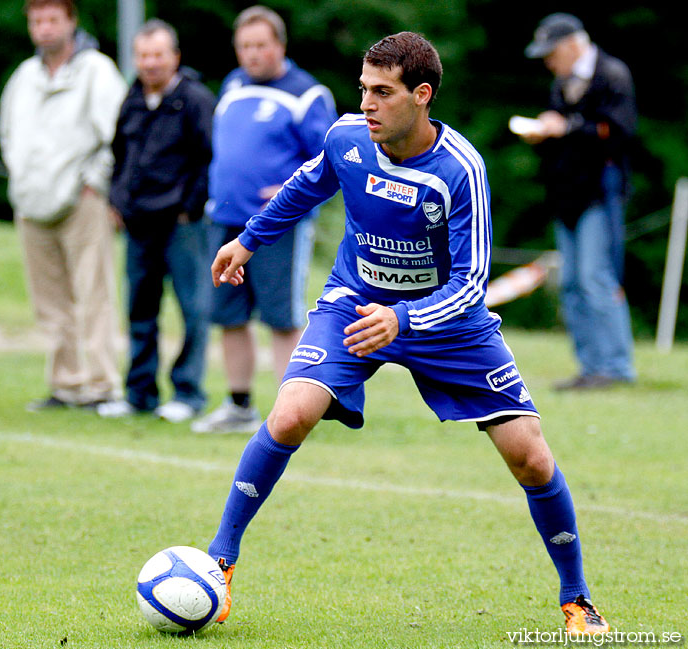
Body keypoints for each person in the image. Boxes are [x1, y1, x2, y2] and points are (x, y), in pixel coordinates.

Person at [205, 32, 610, 635]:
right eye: (363, 88)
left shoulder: (461, 169)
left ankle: (577, 598)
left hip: (449, 324)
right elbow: (302, 189)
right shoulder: (346, 138)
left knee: (530, 458)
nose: (366, 103)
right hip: (357, 302)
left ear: (421, 96)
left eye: (382, 92)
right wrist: (248, 238)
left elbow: (472, 282)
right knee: (289, 414)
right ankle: (218, 563)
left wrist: (406, 318)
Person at [191, 5, 337, 434]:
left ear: (280, 46)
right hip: (225, 219)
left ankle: (292, 410)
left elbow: (328, 162)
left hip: (279, 227)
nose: (252, 54)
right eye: (245, 46)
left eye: (260, 45)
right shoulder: (233, 85)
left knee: (282, 317)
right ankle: (238, 406)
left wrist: (289, 191)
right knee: (229, 314)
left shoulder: (308, 94)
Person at [0, 0, 126, 411]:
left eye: (53, 19)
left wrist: (95, 183)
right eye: (37, 21)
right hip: (32, 203)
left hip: (81, 201)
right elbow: (7, 133)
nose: (44, 28)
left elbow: (118, 133)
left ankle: (102, 385)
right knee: (49, 303)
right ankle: (66, 384)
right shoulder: (24, 77)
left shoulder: (96, 71)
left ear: (71, 22)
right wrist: (21, 180)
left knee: (94, 294)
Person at [96, 19, 215, 422]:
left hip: (182, 224)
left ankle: (188, 393)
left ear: (175, 57)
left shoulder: (195, 99)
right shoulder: (130, 99)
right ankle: (139, 393)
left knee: (192, 308)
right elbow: (119, 156)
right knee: (139, 310)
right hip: (138, 223)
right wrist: (117, 200)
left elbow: (208, 158)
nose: (150, 63)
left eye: (158, 55)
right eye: (143, 55)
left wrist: (190, 207)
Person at [519, 13, 636, 390]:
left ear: (572, 45)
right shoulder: (562, 81)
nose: (549, 62)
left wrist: (565, 127)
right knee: (570, 282)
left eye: (551, 54)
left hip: (600, 193)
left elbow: (617, 132)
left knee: (594, 276)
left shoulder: (612, 74)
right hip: (566, 194)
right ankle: (590, 368)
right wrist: (547, 130)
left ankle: (616, 368)